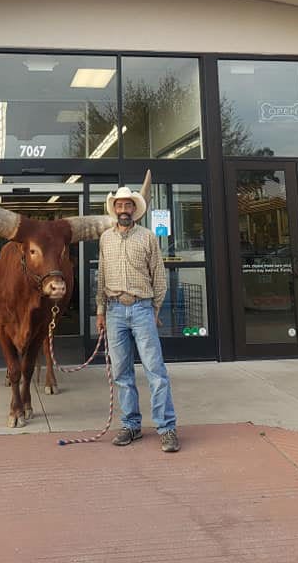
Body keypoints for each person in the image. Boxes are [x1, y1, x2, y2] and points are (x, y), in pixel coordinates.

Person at [95, 181, 178, 453]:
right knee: (121, 372)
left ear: (134, 209)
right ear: (114, 209)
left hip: (142, 308)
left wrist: (154, 309)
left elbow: (159, 276)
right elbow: (101, 277)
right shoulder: (105, 238)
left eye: (128, 205)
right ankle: (131, 425)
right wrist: (100, 310)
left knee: (156, 370)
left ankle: (166, 428)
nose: (123, 209)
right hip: (115, 309)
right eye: (119, 205)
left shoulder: (148, 237)